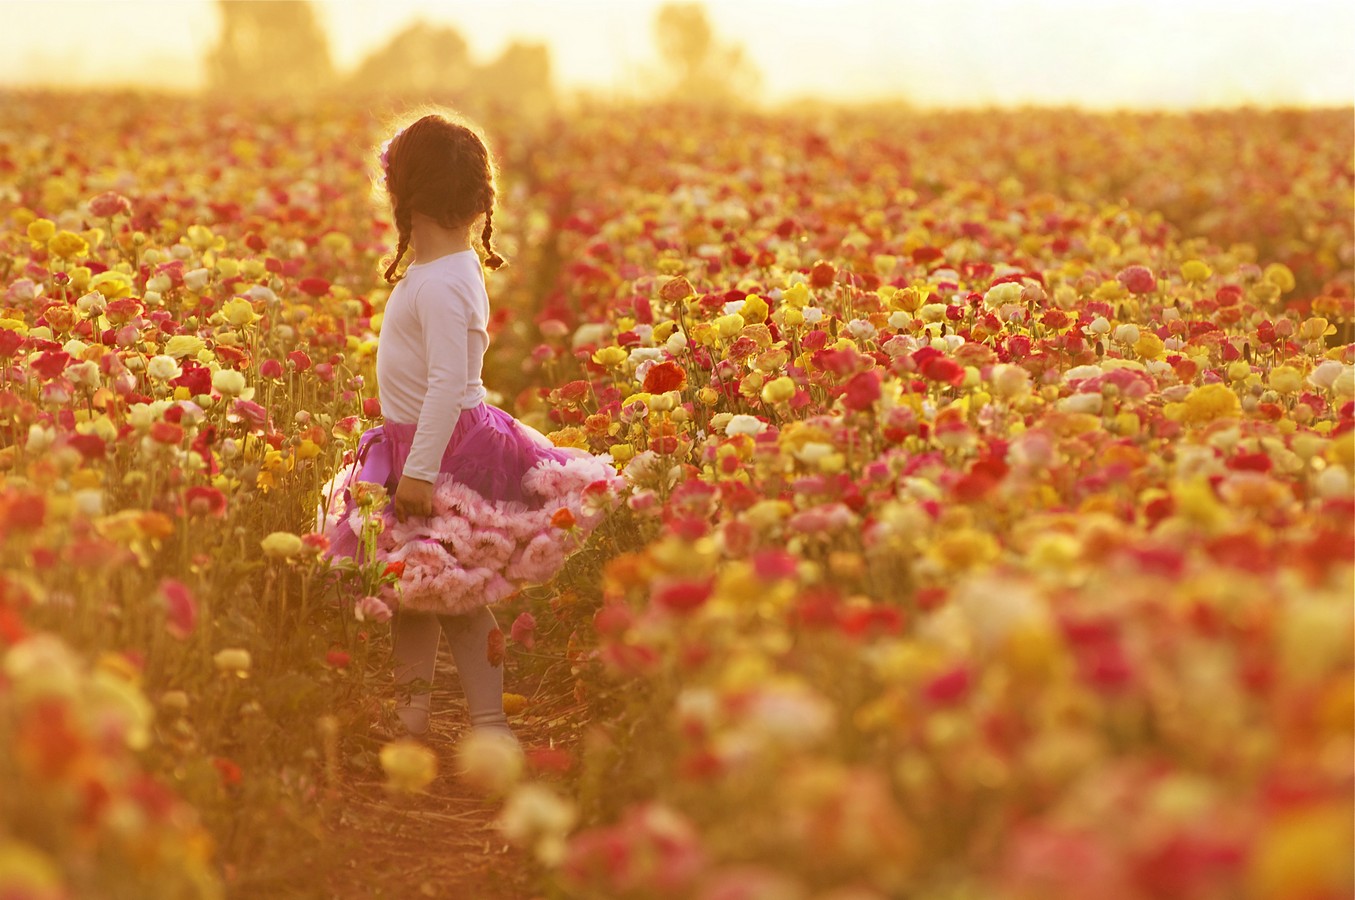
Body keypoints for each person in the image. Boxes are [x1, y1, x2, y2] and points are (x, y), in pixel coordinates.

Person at [317, 111, 619, 744]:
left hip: (445, 454)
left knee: (455, 599)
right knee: (415, 589)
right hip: (418, 445)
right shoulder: (437, 274)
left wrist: (421, 472)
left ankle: (489, 725)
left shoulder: (447, 282)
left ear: (403, 195)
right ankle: (412, 719)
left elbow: (449, 387)